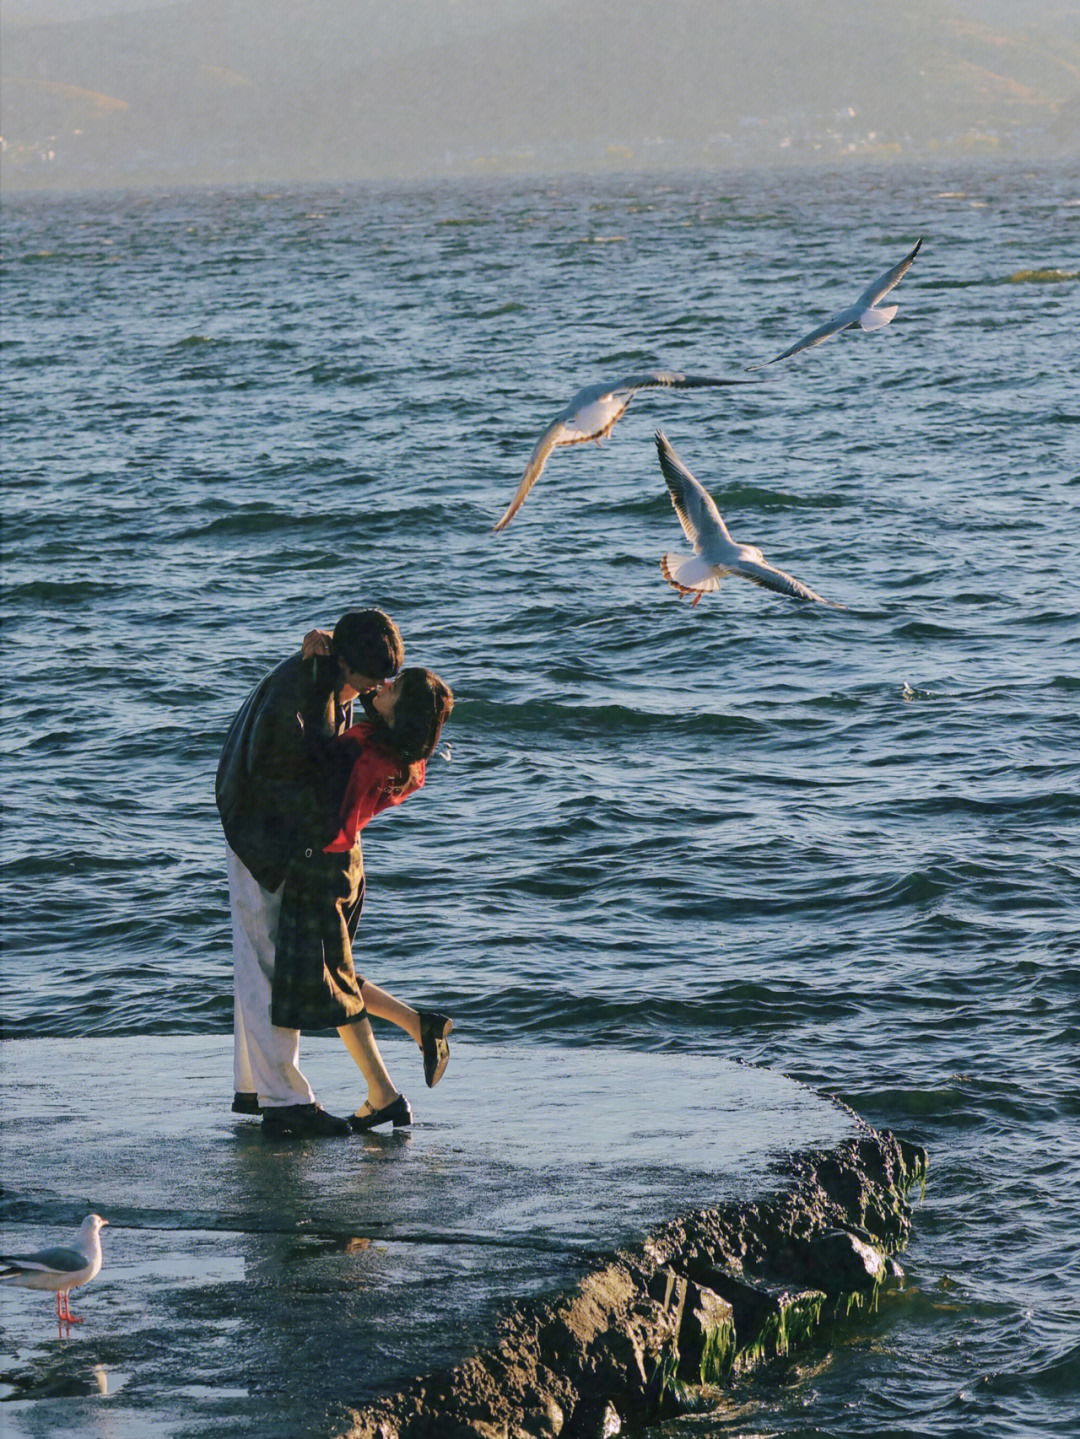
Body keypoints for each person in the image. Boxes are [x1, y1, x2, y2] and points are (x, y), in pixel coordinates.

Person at [216, 609, 403, 1138]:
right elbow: (282, 781)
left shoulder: (326, 681)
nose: (382, 686)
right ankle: (285, 1103)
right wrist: (300, 855)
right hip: (259, 831)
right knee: (265, 959)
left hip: (265, 825)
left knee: (259, 957)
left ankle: (259, 1087)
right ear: (350, 666)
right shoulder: (306, 695)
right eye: (376, 676)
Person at [272, 667, 455, 1133]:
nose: (385, 684)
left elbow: (314, 766)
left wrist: (320, 689)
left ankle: (385, 1094)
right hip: (350, 866)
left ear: (403, 713)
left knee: (334, 985)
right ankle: (419, 1027)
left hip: (322, 868)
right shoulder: (403, 759)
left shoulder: (361, 751)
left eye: (395, 689)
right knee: (341, 973)